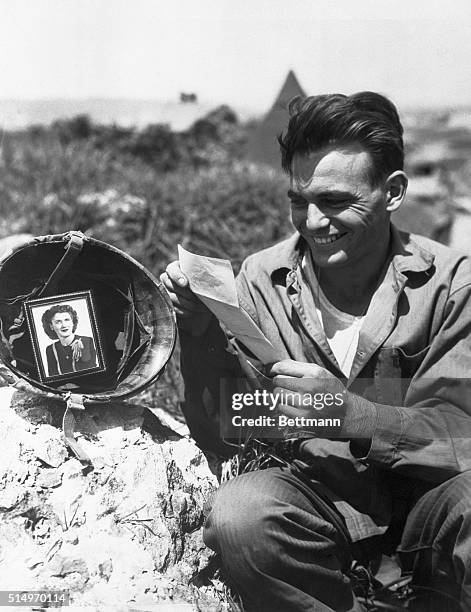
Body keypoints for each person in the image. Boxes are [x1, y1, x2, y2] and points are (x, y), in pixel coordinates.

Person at [161, 92, 471, 611]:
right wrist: (200, 336)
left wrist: (355, 415)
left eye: (335, 201)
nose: (312, 222)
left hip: (425, 513)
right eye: (298, 201)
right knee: (242, 514)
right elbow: (228, 426)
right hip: (317, 507)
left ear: (392, 192)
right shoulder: (261, 279)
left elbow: (461, 434)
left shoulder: (451, 285)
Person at [41, 304, 97, 377]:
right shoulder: (50, 349)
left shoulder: (87, 341)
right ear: (51, 326)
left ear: (73, 322)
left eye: (67, 320)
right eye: (58, 322)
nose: (63, 325)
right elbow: (53, 376)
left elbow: (92, 372)